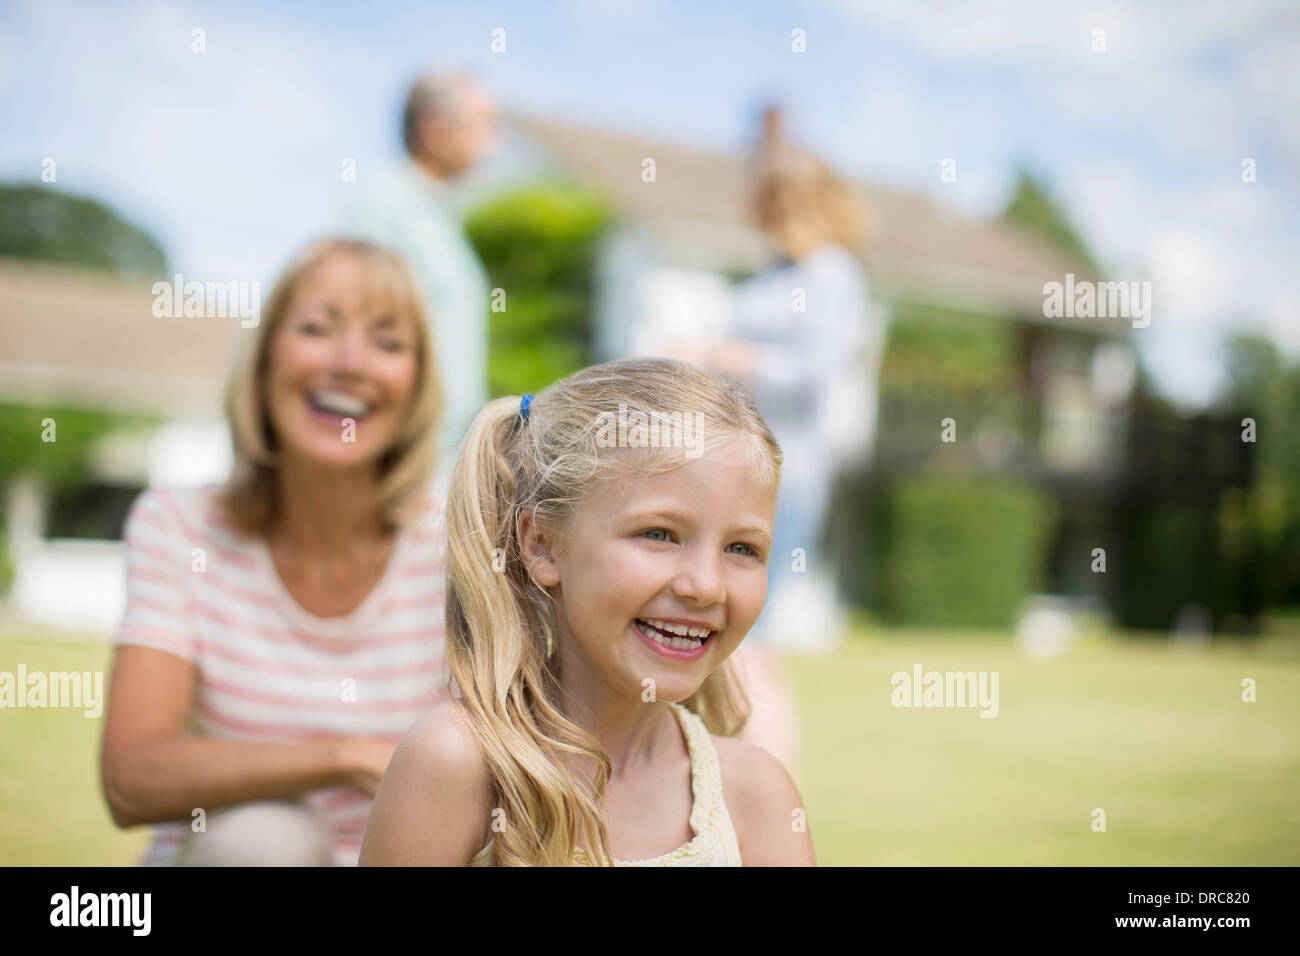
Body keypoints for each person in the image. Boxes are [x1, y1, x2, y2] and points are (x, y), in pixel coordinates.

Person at [359, 357, 815, 866]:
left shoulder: (758, 800)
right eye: (658, 534)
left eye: (742, 549)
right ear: (543, 546)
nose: (705, 586)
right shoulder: (459, 765)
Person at [100, 238, 449, 866]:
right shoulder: (179, 526)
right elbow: (131, 778)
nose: (351, 363)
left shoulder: (462, 545)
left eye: (388, 342)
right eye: (317, 328)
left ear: (416, 387)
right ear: (263, 365)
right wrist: (345, 756)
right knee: (261, 836)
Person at [699, 125, 884, 779]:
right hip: (736, 473)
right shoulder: (774, 274)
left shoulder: (832, 274)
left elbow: (815, 373)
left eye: (769, 198)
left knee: (752, 646)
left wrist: (735, 359)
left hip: (786, 478)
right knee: (737, 646)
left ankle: (771, 812)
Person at [342, 69, 500, 473]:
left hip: (437, 466)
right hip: (398, 463)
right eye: (484, 125)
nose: (493, 144)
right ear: (436, 129)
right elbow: (355, 321)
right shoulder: (385, 203)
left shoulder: (441, 216)